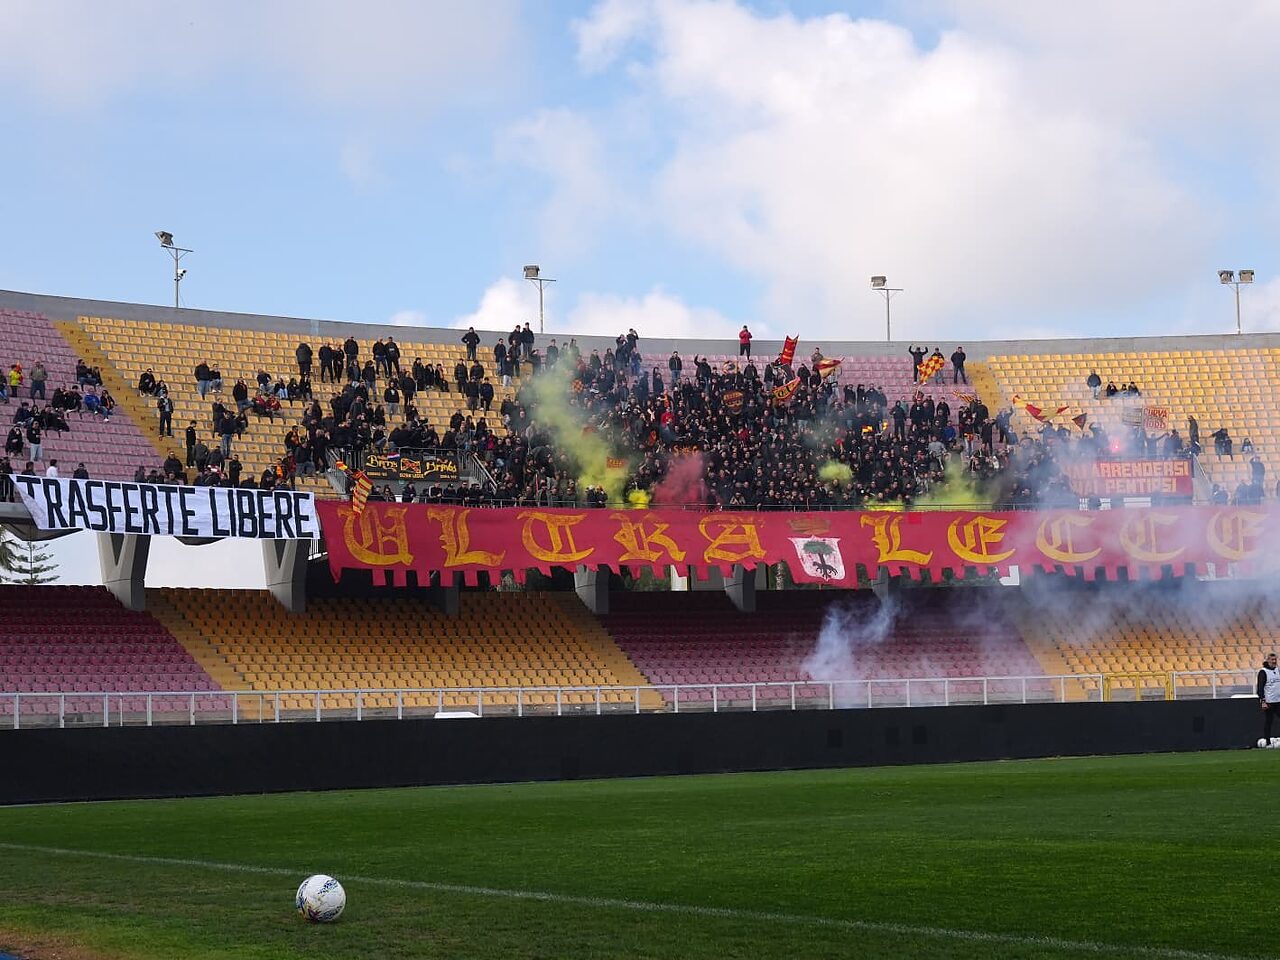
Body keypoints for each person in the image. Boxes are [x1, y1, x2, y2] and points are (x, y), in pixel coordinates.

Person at [1259, 653, 1280, 744]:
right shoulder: (1263, 672)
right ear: (1268, 660)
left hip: (1278, 700)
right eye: (1272, 660)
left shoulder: (1278, 670)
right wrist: (1263, 701)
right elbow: (1260, 687)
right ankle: (1267, 741)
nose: (1274, 661)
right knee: (1269, 721)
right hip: (1269, 701)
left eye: (1275, 659)